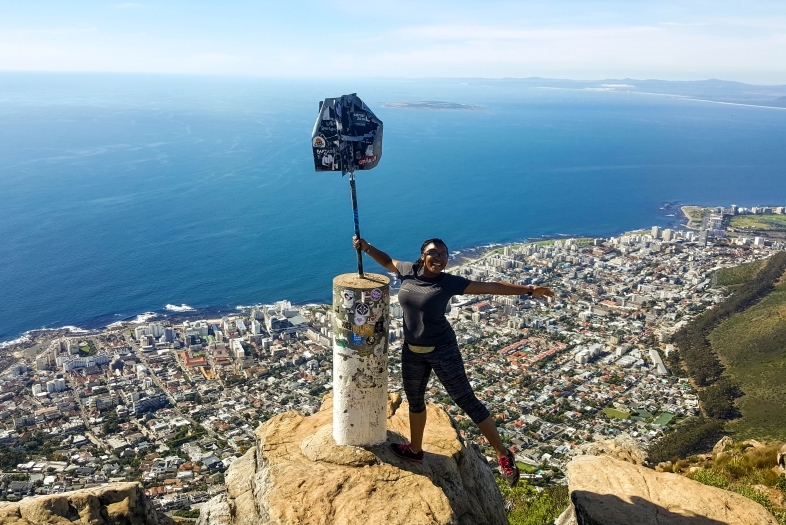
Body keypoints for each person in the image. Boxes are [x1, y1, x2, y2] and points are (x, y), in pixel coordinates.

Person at [352, 236, 554, 486]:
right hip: (411, 350)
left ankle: (503, 454)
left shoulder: (448, 283)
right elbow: (387, 261)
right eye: (433, 253)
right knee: (414, 401)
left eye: (443, 254)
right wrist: (367, 247)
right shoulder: (407, 271)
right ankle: (415, 450)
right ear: (422, 255)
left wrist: (530, 290)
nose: (439, 258)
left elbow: (490, 286)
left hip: (442, 348)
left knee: (466, 399)